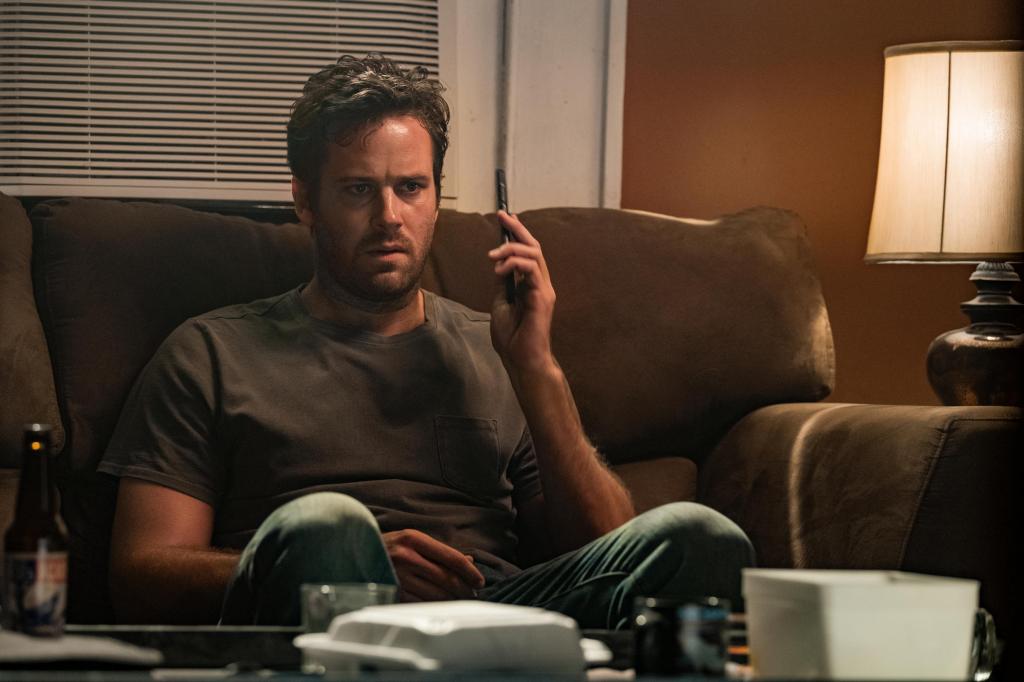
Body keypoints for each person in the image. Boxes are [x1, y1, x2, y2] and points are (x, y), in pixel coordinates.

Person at [99, 54, 754, 627]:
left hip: (494, 614)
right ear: (305, 201)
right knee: (328, 525)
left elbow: (608, 547)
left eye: (410, 188)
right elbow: (140, 574)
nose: (389, 217)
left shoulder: (496, 348)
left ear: (436, 198)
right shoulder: (210, 353)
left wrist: (536, 367)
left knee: (698, 536)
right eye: (358, 189)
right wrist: (353, 566)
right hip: (324, 619)